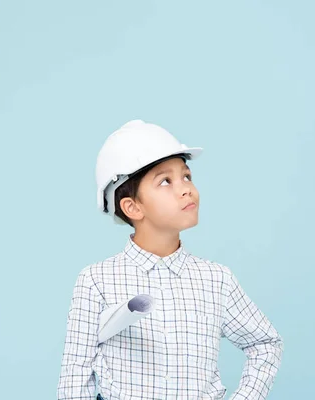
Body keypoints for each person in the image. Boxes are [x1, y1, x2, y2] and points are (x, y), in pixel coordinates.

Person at [57, 120, 283, 400]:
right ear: (133, 206)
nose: (186, 188)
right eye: (166, 181)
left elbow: (265, 343)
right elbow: (75, 377)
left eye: (186, 176)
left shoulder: (216, 280)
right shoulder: (96, 280)